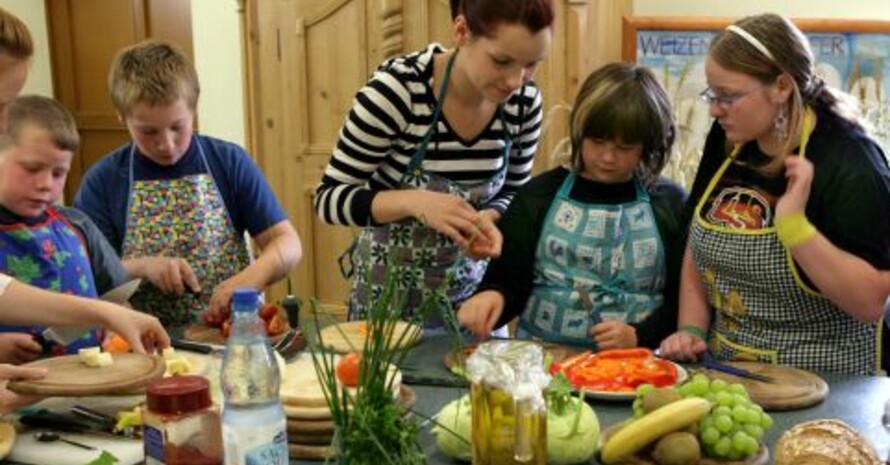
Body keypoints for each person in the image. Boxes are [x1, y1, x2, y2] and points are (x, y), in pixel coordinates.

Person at [658, 13, 890, 375]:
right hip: (728, 371)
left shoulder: (852, 164)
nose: (715, 109)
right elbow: (697, 245)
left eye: (728, 97)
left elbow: (871, 301)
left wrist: (796, 230)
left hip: (827, 383)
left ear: (781, 87)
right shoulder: (728, 139)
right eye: (712, 94)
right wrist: (690, 329)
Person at [314, 0, 554, 322]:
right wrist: (415, 202)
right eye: (501, 60)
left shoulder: (523, 104)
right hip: (387, 312)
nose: (515, 80)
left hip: (471, 307)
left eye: (531, 64)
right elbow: (328, 200)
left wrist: (490, 218)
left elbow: (514, 191)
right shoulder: (398, 93)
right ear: (462, 31)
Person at [74, 40, 302, 331]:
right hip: (147, 341)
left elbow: (288, 243)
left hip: (233, 332)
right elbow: (87, 273)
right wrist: (143, 267)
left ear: (194, 108)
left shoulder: (229, 161)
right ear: (122, 118)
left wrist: (248, 281)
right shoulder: (103, 180)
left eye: (178, 127)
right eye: (148, 132)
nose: (166, 144)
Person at [457, 63, 685, 349]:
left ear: (648, 144)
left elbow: (684, 301)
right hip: (542, 363)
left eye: (625, 147)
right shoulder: (538, 195)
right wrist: (493, 297)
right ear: (580, 129)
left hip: (635, 367)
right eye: (597, 141)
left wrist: (640, 335)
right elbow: (509, 281)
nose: (608, 157)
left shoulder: (670, 203)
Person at [0, 94, 138, 359]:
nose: (45, 184)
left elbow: (119, 300)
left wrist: (114, 330)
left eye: (58, 173)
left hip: (89, 389)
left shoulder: (77, 225)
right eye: (32, 168)